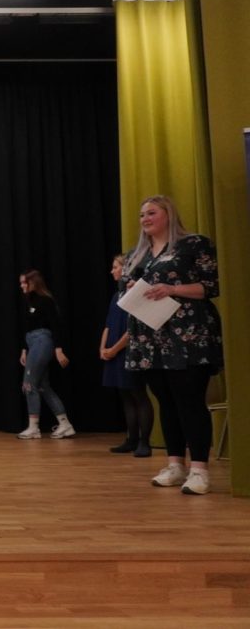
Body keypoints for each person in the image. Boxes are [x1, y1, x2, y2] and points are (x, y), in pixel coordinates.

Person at [124, 195, 223, 496]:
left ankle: (199, 470)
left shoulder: (193, 244)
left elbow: (212, 285)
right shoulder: (137, 255)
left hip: (188, 335)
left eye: (151, 213)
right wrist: (133, 288)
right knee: (166, 402)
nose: (145, 219)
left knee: (189, 400)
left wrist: (171, 288)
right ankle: (175, 464)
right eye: (142, 214)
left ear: (168, 214)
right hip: (150, 338)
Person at [100, 253, 153, 457]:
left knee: (138, 395)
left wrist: (115, 349)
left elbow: (134, 329)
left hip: (130, 351)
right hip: (114, 352)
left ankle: (144, 442)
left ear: (126, 269)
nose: (112, 271)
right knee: (125, 396)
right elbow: (108, 324)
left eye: (115, 267)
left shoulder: (136, 295)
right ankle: (131, 439)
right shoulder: (116, 296)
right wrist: (103, 348)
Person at [17, 270, 76, 440]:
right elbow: (27, 327)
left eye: (24, 282)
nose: (22, 286)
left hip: (43, 341)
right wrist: (24, 349)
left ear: (33, 282)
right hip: (32, 343)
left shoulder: (45, 300)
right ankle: (65, 424)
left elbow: (56, 325)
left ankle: (33, 428)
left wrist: (58, 349)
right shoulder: (28, 301)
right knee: (43, 386)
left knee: (29, 384)